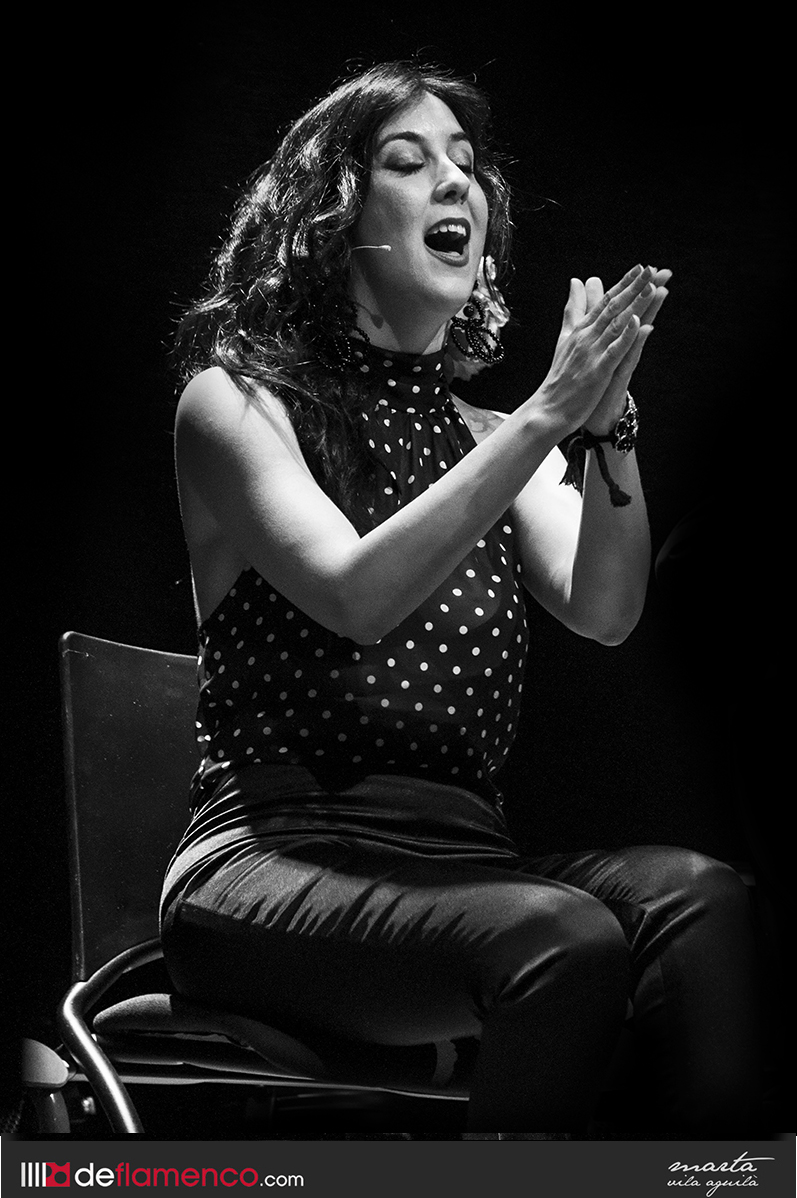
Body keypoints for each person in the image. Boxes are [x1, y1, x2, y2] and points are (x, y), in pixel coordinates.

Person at [160, 61, 762, 1133]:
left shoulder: (488, 440)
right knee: (561, 935)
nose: (456, 184)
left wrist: (607, 423)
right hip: (272, 860)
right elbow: (353, 596)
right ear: (331, 223)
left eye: (467, 166)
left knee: (706, 904)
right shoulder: (238, 403)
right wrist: (546, 415)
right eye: (408, 162)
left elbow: (604, 605)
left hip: (461, 866)